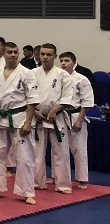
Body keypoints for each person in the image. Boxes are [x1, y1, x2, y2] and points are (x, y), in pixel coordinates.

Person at [0, 42, 39, 204]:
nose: (13, 55)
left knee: (25, 157)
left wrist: (28, 122)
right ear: (3, 54)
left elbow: (32, 100)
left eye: (15, 52)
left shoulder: (26, 73)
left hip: (19, 118)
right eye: (9, 52)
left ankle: (27, 191)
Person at [31, 43, 74, 194]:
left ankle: (63, 184)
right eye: (42, 54)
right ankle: (37, 182)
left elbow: (68, 97)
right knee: (36, 152)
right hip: (38, 117)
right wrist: (34, 112)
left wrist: (55, 110)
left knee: (61, 153)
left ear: (55, 56)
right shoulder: (32, 73)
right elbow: (26, 95)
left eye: (48, 54)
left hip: (57, 118)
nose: (45, 57)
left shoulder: (63, 75)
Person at [59, 52, 94, 190]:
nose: (63, 63)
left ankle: (82, 179)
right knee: (60, 149)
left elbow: (87, 101)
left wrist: (80, 119)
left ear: (74, 63)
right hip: (61, 115)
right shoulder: (58, 78)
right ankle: (58, 177)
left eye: (66, 60)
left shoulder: (81, 79)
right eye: (61, 60)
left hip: (76, 115)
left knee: (79, 148)